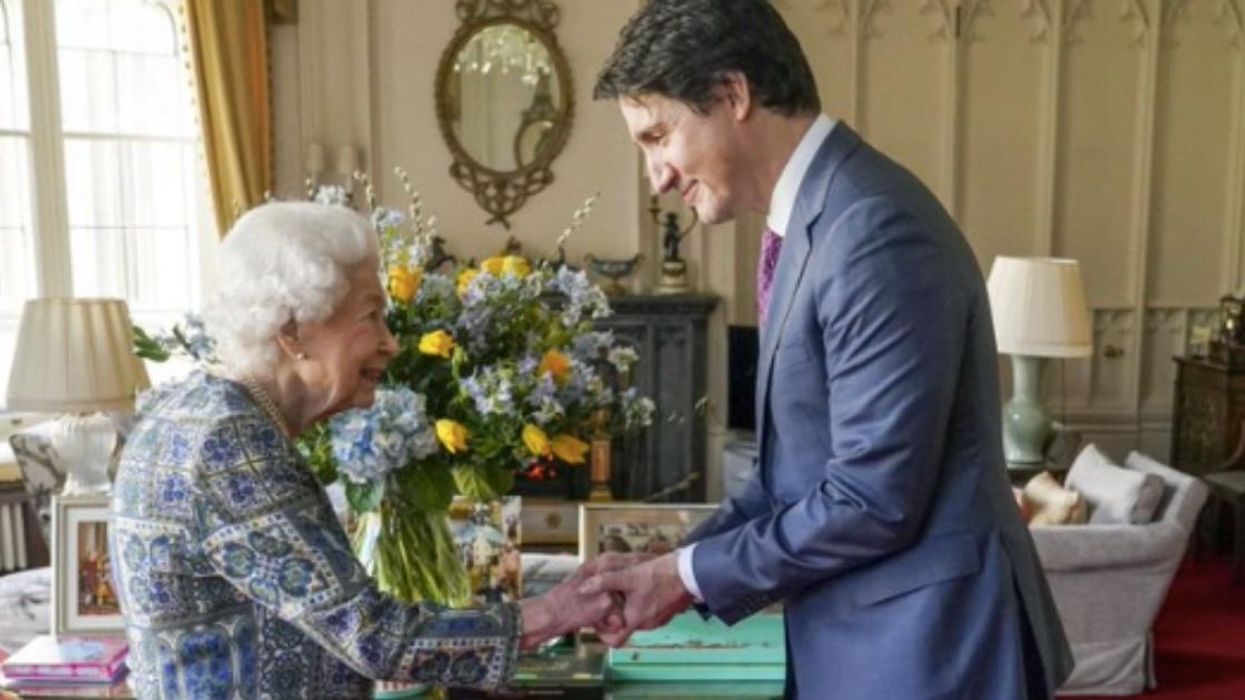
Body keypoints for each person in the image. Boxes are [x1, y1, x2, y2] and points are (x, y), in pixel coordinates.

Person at [580, 1, 1075, 698]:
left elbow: (871, 500)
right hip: (874, 643)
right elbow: (791, 482)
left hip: (932, 653)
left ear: (732, 93)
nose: (655, 177)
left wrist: (680, 578)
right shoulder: (820, 217)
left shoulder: (872, 228)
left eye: (658, 136)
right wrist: (674, 563)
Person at [110, 202, 615, 698]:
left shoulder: (195, 413)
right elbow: (370, 633)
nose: (391, 343)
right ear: (292, 333)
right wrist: (555, 611)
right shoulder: (230, 446)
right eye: (372, 317)